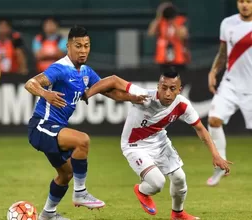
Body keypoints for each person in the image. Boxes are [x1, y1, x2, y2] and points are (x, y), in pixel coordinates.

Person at [24, 26, 145, 220]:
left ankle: (47, 214)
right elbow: (31, 83)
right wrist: (45, 93)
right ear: (68, 46)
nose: (82, 50)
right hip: (41, 126)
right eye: (78, 46)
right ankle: (80, 193)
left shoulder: (86, 72)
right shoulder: (60, 68)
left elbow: (110, 92)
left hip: (56, 129)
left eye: (86, 46)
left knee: (66, 175)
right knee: (82, 140)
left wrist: (132, 98)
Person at [82, 71, 232, 220]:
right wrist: (89, 93)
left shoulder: (183, 105)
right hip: (134, 145)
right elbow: (114, 80)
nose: (167, 93)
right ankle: (142, 191)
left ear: (179, 90)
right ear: (158, 86)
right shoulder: (145, 96)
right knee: (157, 183)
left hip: (159, 142)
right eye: (164, 87)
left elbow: (201, 129)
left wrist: (216, 155)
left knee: (180, 178)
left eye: (172, 89)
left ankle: (178, 214)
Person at [207, 0, 252, 186]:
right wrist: (213, 71)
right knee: (213, 120)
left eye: (249, 1)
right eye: (242, 1)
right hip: (230, 83)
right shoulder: (227, 23)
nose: (245, 5)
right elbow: (223, 52)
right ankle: (220, 163)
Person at [147, 2, 190, 73]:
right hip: (163, 59)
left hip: (178, 60)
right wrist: (159, 16)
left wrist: (173, 22)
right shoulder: (160, 22)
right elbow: (151, 32)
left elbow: (183, 35)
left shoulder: (180, 21)